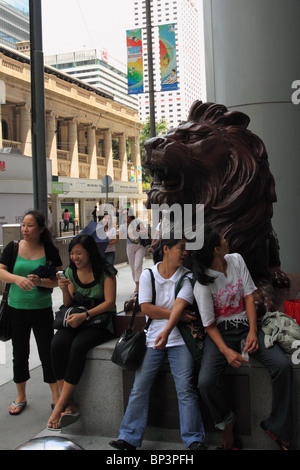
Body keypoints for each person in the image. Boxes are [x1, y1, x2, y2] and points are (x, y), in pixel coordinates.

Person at [191, 225, 293, 450]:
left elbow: (249, 296)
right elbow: (209, 325)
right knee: (205, 382)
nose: (227, 239)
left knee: (283, 366)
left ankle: (278, 427)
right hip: (220, 335)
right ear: (216, 249)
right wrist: (226, 351)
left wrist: (252, 331)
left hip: (247, 326)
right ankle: (227, 421)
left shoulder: (236, 260)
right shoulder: (202, 283)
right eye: (222, 238)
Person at [109, 235, 206, 451]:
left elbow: (181, 305)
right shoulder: (148, 275)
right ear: (166, 249)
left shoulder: (188, 277)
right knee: (140, 387)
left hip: (181, 341)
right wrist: (177, 316)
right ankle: (128, 438)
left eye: (186, 249)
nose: (185, 253)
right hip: (152, 338)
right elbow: (146, 308)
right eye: (181, 248)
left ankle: (193, 440)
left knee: (185, 389)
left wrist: (173, 320)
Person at [47, 233, 117, 431]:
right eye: (72, 253)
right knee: (57, 344)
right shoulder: (70, 272)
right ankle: (70, 404)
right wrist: (63, 289)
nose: (75, 257)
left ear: (90, 253)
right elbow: (69, 303)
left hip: (100, 322)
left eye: (79, 253)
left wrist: (85, 316)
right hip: (76, 319)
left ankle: (61, 403)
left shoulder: (106, 271)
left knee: (78, 346)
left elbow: (110, 302)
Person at [0, 209, 62, 415]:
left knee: (47, 352)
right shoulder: (13, 247)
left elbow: (59, 279)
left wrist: (42, 281)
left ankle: (56, 396)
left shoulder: (50, 250)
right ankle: (21, 396)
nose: (24, 229)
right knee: (20, 353)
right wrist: (17, 279)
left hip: (42, 309)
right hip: (16, 309)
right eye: (23, 225)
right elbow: (1, 271)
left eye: (29, 226)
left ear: (41, 229)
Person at [119, 207, 146, 293]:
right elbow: (119, 236)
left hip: (139, 246)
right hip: (129, 247)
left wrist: (137, 232)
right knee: (132, 267)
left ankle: (138, 285)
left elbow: (144, 232)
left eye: (126, 214)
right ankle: (136, 283)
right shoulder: (123, 226)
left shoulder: (137, 222)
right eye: (122, 214)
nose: (124, 216)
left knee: (137, 265)